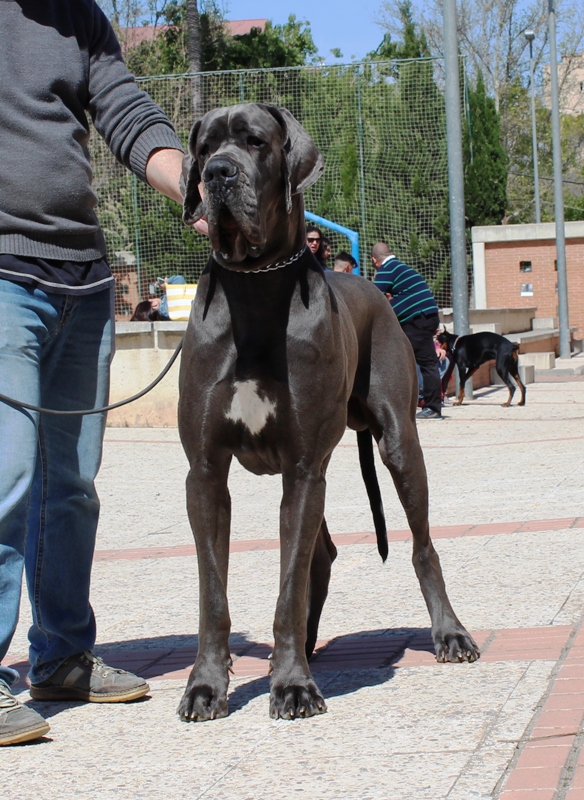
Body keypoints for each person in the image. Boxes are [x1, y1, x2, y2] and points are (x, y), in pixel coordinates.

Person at [0, 0, 193, 746]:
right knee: (7, 476)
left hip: (82, 278)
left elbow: (126, 112)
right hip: (5, 274)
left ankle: (63, 655)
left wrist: (196, 187)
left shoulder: (79, 17)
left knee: (70, 487)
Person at [371, 242, 442, 419]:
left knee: (422, 363)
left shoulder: (387, 269)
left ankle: (432, 407)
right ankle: (425, 404)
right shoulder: (401, 267)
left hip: (417, 319)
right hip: (427, 316)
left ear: (374, 260)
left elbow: (372, 295)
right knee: (416, 361)